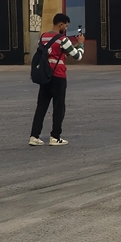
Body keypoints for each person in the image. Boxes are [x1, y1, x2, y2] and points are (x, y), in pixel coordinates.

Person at [29, 13, 85, 146]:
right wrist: (81, 45)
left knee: (41, 106)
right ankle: (55, 136)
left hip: (46, 75)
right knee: (58, 107)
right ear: (60, 24)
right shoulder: (63, 39)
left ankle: (34, 136)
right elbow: (77, 56)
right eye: (65, 26)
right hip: (58, 76)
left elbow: (52, 51)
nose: (65, 28)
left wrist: (73, 45)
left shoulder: (43, 37)